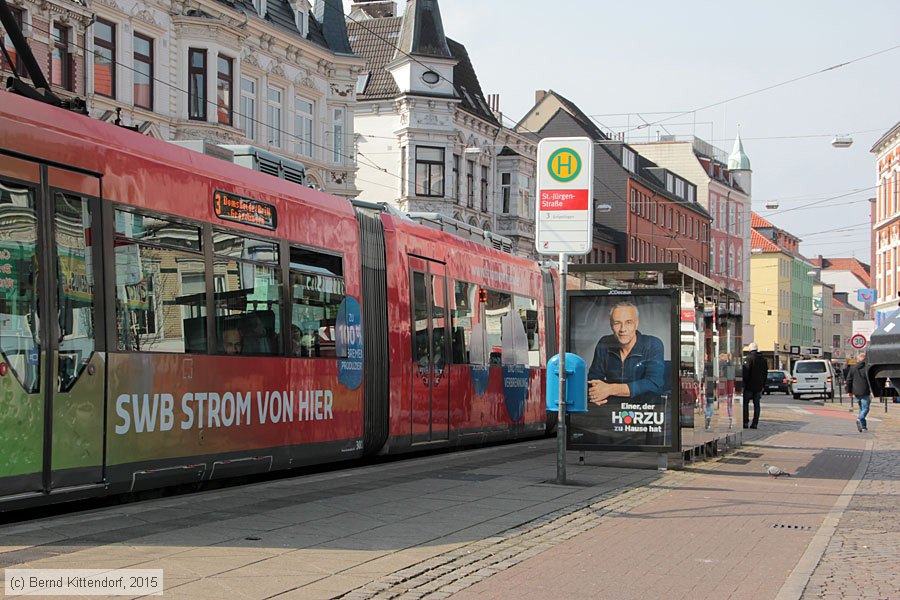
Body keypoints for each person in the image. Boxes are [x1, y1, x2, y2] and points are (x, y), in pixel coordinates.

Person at [587, 301, 665, 406]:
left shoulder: (653, 344)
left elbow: (654, 383)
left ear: (636, 324)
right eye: (617, 323)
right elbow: (593, 380)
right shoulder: (604, 343)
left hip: (645, 409)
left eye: (628, 322)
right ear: (611, 325)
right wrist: (596, 395)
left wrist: (610, 389)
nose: (622, 329)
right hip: (610, 409)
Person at [741, 342, 767, 429]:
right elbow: (765, 373)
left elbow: (746, 372)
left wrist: (743, 383)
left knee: (745, 404)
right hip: (759, 386)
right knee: (757, 405)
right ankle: (755, 423)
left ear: (750, 349)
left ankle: (745, 422)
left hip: (749, 386)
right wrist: (763, 385)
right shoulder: (763, 359)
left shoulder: (749, 358)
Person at [846, 353, 871, 432]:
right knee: (866, 408)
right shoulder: (867, 368)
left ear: (858, 359)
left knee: (861, 408)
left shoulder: (853, 368)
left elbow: (848, 380)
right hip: (865, 390)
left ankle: (863, 427)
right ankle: (859, 419)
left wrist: (849, 391)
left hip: (856, 391)